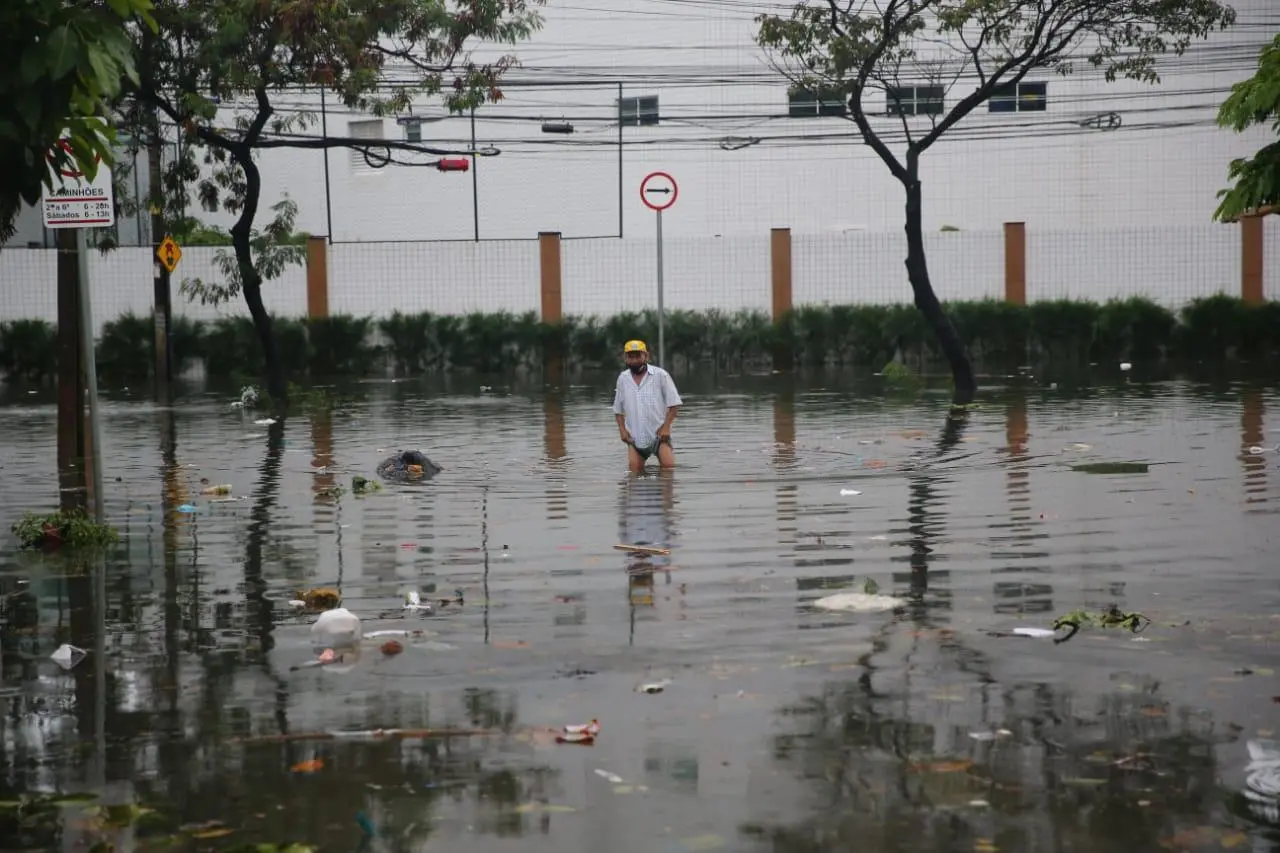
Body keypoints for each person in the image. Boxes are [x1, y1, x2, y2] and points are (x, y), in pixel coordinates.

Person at [612, 339, 682, 472]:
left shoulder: (661, 375)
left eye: (638, 356)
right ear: (625, 358)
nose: (634, 360)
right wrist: (622, 430)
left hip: (659, 436)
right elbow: (618, 410)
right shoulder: (623, 379)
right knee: (634, 474)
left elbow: (675, 404)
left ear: (646, 356)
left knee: (668, 471)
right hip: (635, 438)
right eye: (630, 357)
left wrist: (666, 427)